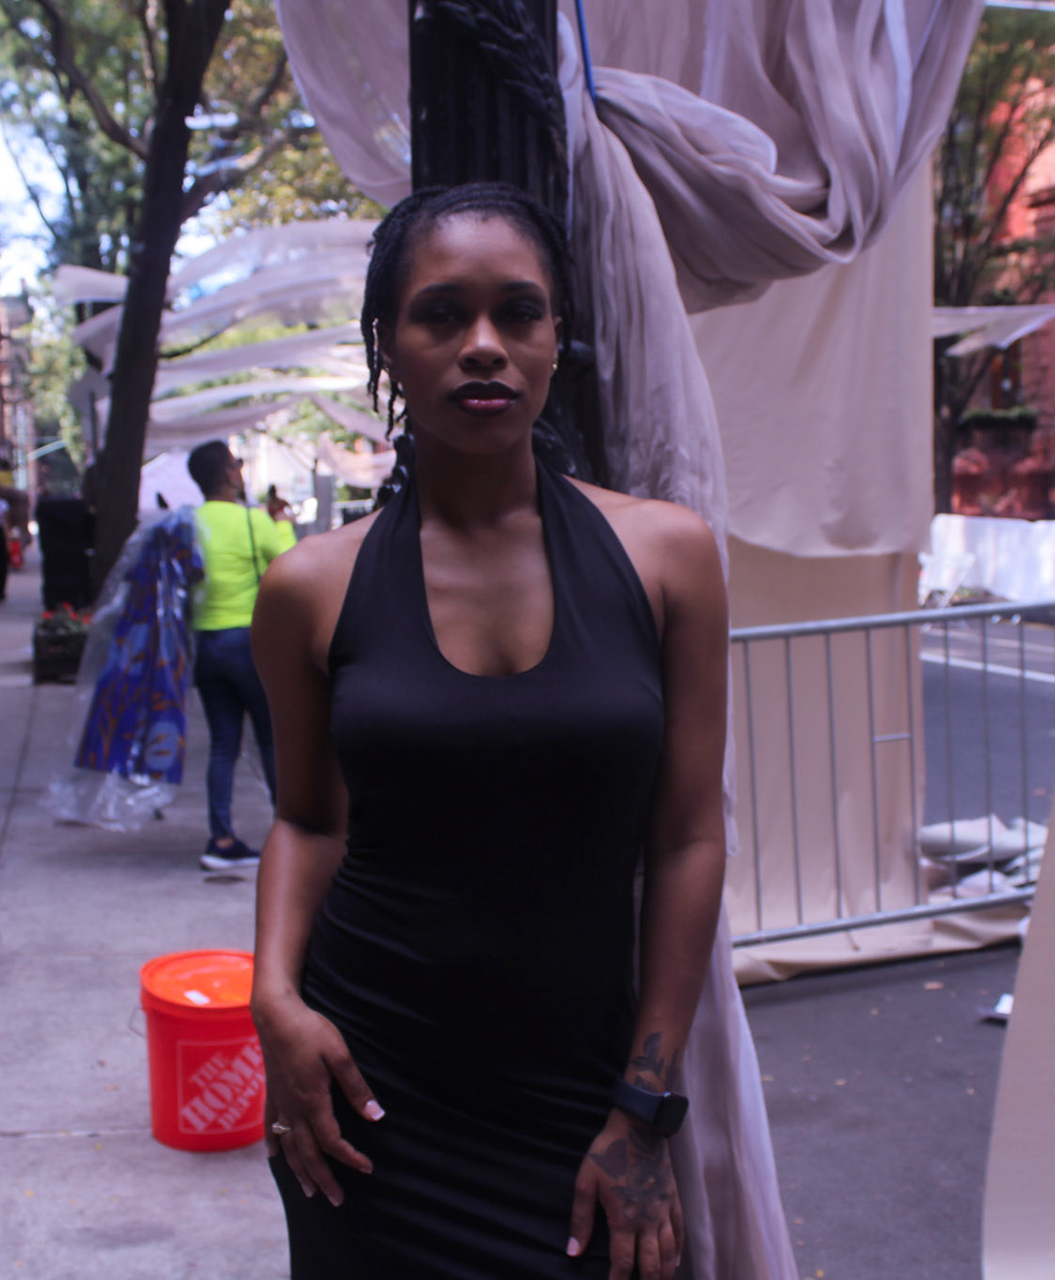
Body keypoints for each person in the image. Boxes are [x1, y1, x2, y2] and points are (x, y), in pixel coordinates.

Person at [250, 183, 728, 1279]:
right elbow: (308, 821)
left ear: (557, 337)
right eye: (440, 313)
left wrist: (645, 1103)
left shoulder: (668, 556)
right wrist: (272, 999)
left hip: (584, 1094)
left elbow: (689, 837)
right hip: (369, 1100)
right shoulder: (309, 586)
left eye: (517, 312)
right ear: (388, 344)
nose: (482, 344)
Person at [189, 441, 289, 871]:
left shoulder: (188, 523)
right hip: (248, 644)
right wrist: (281, 525)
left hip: (205, 645)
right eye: (238, 465)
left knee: (223, 744)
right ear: (231, 474)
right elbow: (290, 565)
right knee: (271, 738)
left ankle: (221, 838)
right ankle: (289, 834)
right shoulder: (253, 521)